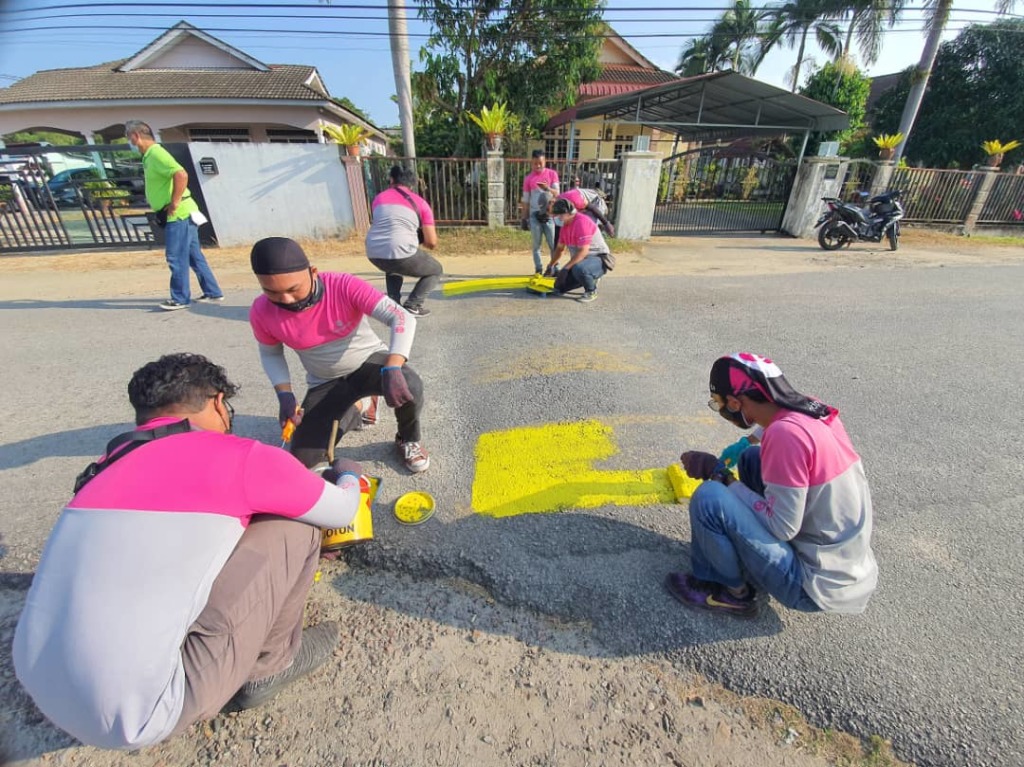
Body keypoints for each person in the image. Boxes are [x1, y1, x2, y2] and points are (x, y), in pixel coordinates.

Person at [13, 353, 362, 749]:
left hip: (36, 677)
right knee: (296, 525)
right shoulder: (239, 455)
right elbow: (341, 510)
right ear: (216, 402)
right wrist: (349, 474)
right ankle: (269, 668)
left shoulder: (103, 466)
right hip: (139, 715)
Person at [665, 353, 878, 619]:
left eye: (719, 402)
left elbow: (782, 527)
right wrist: (747, 442)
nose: (721, 408)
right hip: (846, 567)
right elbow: (772, 430)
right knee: (751, 458)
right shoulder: (811, 409)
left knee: (710, 498)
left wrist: (722, 477)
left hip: (811, 584)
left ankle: (729, 593)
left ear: (734, 402)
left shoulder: (784, 435)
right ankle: (744, 558)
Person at [249, 236, 430, 473]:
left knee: (410, 385)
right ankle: (359, 405)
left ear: (313, 272)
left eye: (293, 289)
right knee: (305, 459)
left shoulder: (342, 285)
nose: (286, 300)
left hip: (368, 362)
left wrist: (394, 365)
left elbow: (401, 316)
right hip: (325, 380)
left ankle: (407, 439)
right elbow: (271, 354)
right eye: (271, 291)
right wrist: (284, 395)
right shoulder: (261, 311)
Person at [125, 119, 223, 311]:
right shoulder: (149, 156)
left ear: (136, 136)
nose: (129, 142)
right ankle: (213, 291)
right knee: (193, 255)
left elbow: (181, 174)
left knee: (176, 256)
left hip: (178, 214)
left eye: (129, 138)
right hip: (183, 212)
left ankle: (180, 298)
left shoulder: (156, 153)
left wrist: (175, 202)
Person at [365, 165, 443, 317]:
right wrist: (420, 239)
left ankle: (392, 302)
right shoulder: (420, 203)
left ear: (391, 180)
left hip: (373, 251)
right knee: (435, 270)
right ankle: (413, 304)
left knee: (393, 265)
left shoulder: (378, 198)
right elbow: (432, 242)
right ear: (412, 184)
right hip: (399, 250)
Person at [545, 198, 615, 304]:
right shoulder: (565, 227)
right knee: (559, 286)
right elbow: (559, 249)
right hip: (581, 260)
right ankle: (587, 278)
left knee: (580, 269)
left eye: (559, 215)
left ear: (568, 213)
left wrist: (565, 269)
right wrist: (551, 266)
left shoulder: (581, 222)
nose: (557, 218)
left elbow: (583, 251)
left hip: (599, 259)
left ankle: (591, 290)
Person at [520, 149, 560, 274]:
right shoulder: (528, 178)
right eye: (535, 163)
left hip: (549, 215)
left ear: (545, 162)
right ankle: (538, 269)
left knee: (552, 244)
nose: (538, 166)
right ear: (531, 163)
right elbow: (526, 200)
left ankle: (555, 267)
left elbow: (557, 193)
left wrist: (546, 188)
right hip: (534, 216)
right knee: (536, 245)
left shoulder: (552, 174)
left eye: (540, 163)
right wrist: (524, 218)